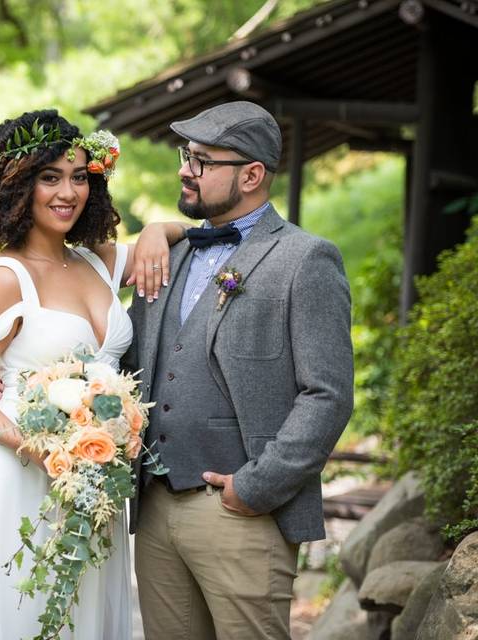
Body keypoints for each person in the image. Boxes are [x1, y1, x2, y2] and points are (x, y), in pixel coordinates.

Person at [0, 109, 186, 640]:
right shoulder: (5, 278)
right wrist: (35, 447)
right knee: (22, 612)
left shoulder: (98, 263)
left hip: (93, 478)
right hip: (18, 476)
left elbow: (185, 238)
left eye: (79, 176)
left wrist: (159, 228)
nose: (69, 192)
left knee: (83, 612)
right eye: (50, 177)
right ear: (16, 187)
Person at [124, 101, 354, 640]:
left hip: (242, 514)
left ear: (252, 175)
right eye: (187, 155)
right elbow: (128, 362)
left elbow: (327, 395)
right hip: (154, 511)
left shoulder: (305, 259)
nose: (185, 168)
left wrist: (254, 489)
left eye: (203, 160)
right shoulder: (166, 255)